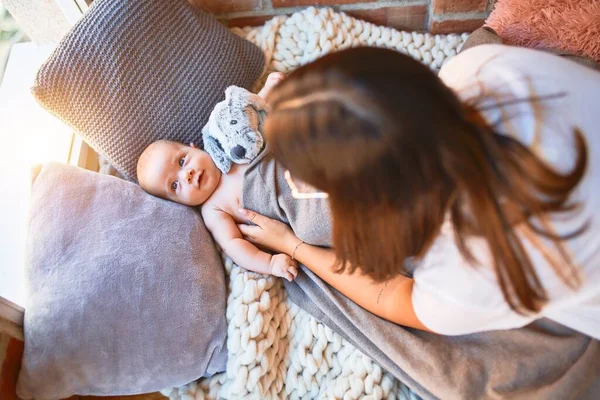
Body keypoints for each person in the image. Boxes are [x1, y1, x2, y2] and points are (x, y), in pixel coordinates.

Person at [236, 45, 600, 339]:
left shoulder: (467, 274)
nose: (293, 181)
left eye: (302, 176)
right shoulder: (482, 66)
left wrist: (292, 245)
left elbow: (397, 299)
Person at [135, 73, 300, 282]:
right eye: (175, 185)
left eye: (182, 161)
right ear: (177, 202)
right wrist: (270, 263)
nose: (187, 175)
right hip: (292, 210)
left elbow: (244, 117)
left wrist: (267, 90)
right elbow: (234, 245)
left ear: (193, 146)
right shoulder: (213, 209)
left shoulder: (219, 143)